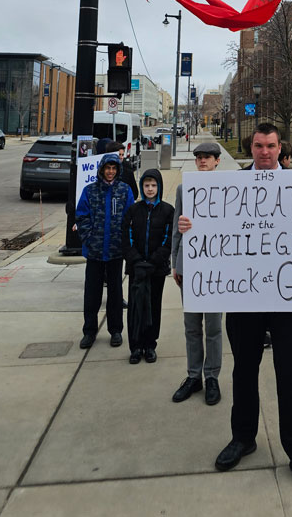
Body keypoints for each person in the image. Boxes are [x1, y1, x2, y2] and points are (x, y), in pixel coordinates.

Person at [189, 122, 292, 496]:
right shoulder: (229, 187)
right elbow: (211, 231)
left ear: (282, 149)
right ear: (251, 148)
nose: (264, 152)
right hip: (245, 298)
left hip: (291, 300)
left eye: (271, 146)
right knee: (244, 371)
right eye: (259, 146)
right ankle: (243, 437)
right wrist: (191, 226)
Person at [171, 142, 224, 405]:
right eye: (199, 158)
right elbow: (175, 229)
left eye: (207, 158)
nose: (202, 161)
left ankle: (212, 375)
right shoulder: (184, 189)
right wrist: (174, 262)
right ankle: (193, 375)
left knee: (213, 327)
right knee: (192, 326)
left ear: (217, 161)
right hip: (189, 266)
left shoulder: (227, 190)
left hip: (214, 268)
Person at [75, 152, 135, 349]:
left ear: (118, 170)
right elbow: (82, 216)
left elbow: (130, 219)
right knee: (92, 293)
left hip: (116, 252)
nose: (110, 172)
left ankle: (116, 330)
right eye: (107, 168)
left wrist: (126, 244)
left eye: (114, 168)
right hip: (95, 252)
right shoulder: (90, 191)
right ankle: (89, 331)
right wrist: (89, 238)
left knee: (116, 293)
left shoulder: (124, 190)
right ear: (101, 169)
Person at [122, 168, 174, 364]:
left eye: (153, 185)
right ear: (142, 187)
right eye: (146, 185)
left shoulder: (168, 210)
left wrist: (153, 261)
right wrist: (136, 260)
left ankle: (150, 344)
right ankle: (135, 346)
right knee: (136, 307)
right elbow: (127, 237)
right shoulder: (134, 210)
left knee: (153, 306)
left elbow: (168, 239)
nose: (150, 189)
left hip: (156, 269)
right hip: (136, 269)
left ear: (159, 187)